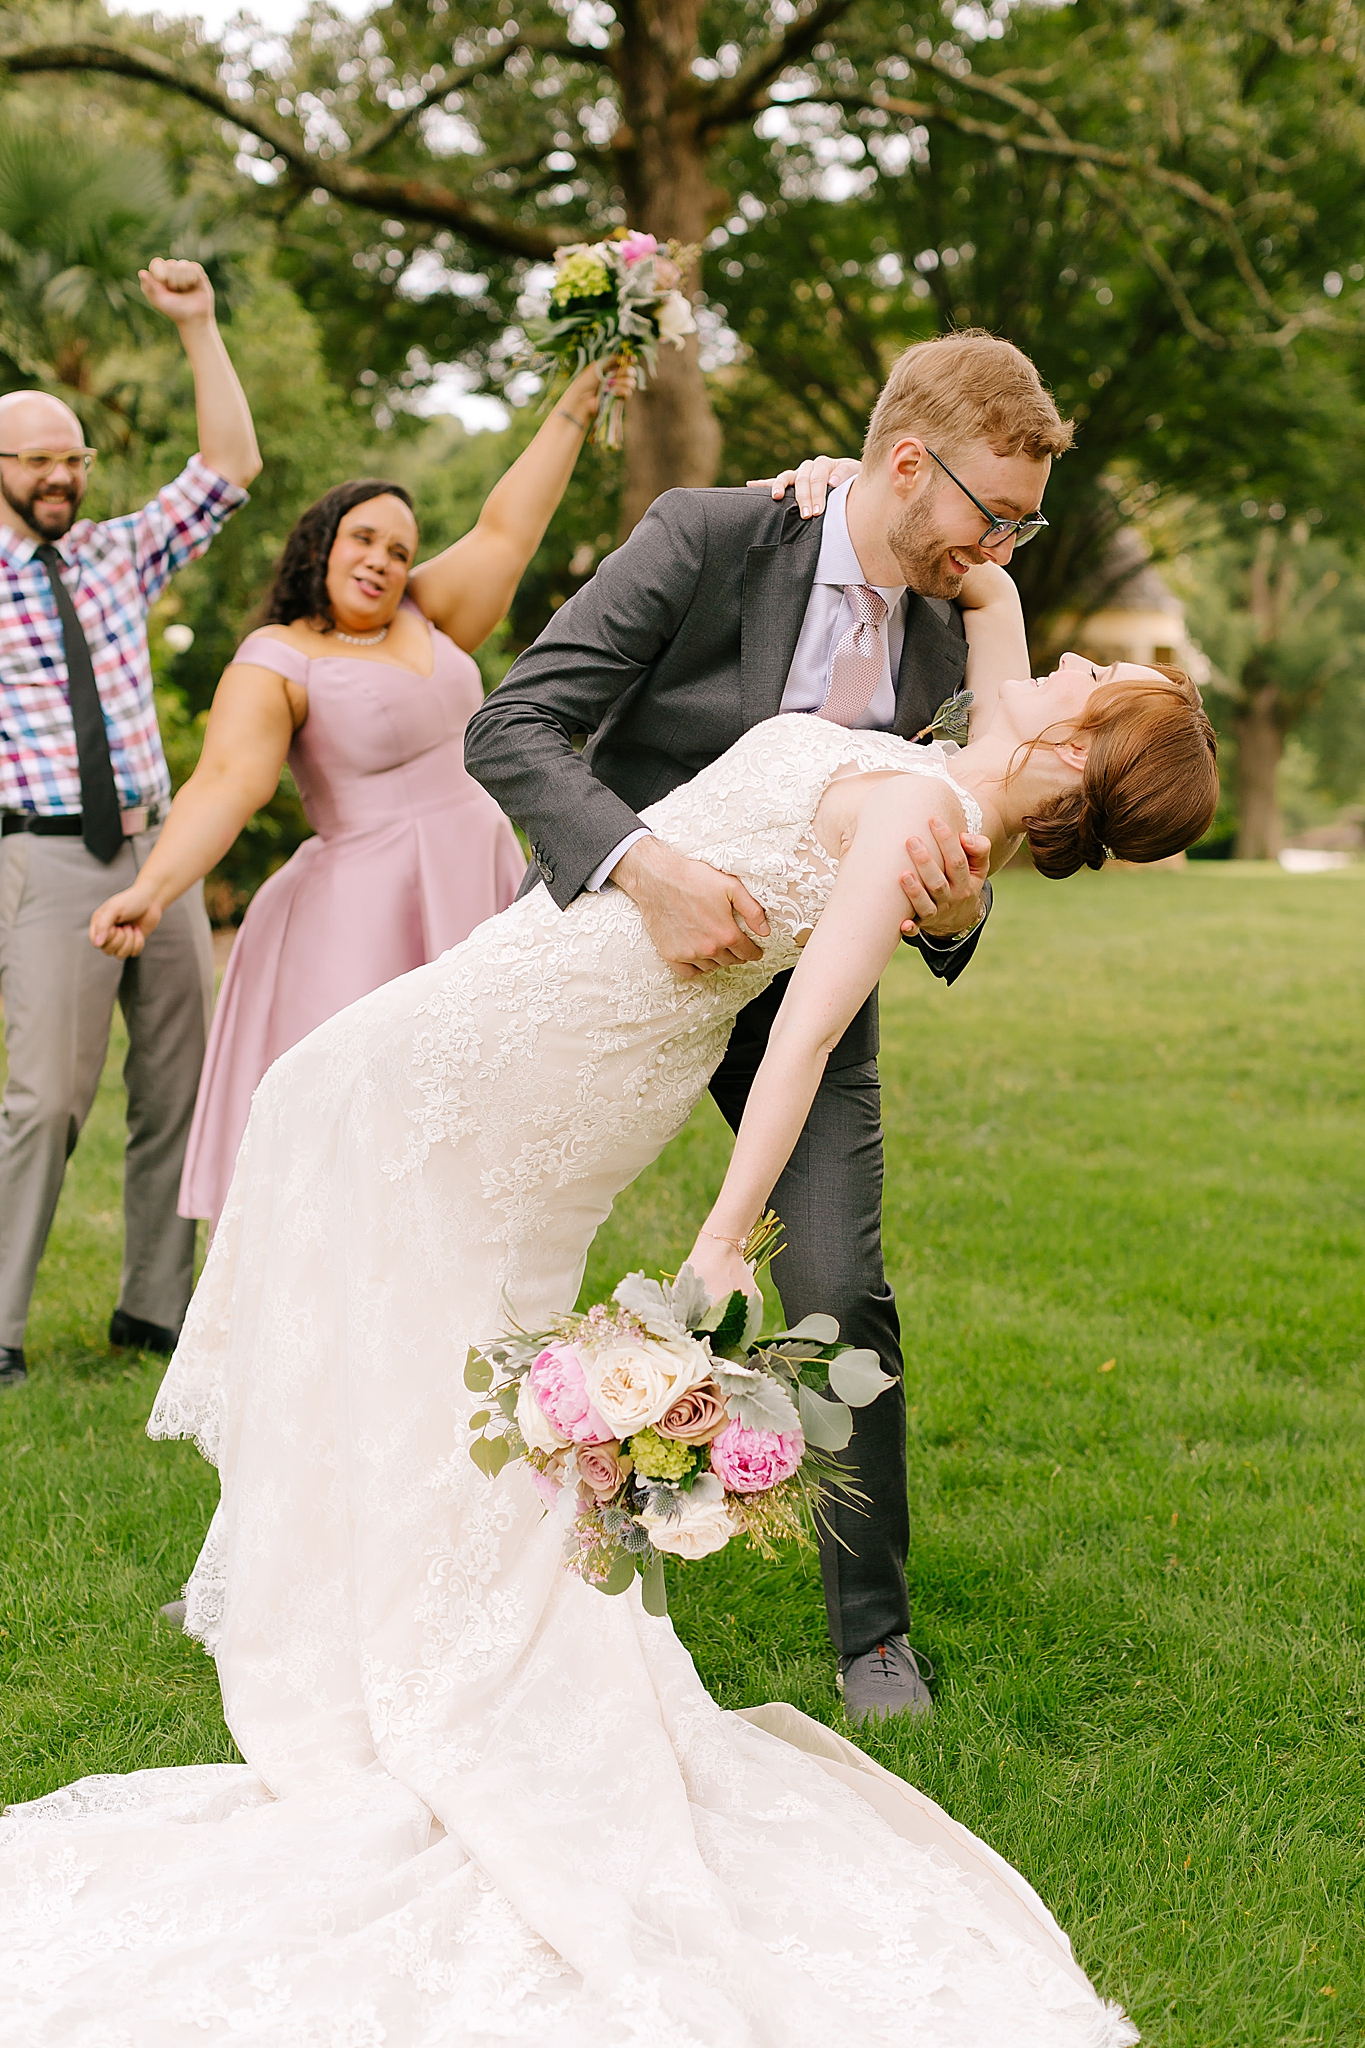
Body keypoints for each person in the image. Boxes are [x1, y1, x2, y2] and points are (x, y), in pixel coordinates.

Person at [0, 627, 1217, 2044]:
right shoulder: (951, 779)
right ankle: (374, 1611)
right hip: (528, 997)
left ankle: (448, 1659)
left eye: (1091, 685)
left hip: (550, 1058)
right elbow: (997, 597)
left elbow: (813, 1034)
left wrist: (718, 1239)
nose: (1066, 659)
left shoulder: (913, 816)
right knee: (375, 1221)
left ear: (1071, 754)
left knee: (415, 1253)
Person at [464, 328, 1071, 1721]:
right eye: (994, 515)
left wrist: (950, 912)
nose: (1005, 550)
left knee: (842, 1285)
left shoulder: (953, 613)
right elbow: (516, 730)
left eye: (1026, 522)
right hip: (618, 960)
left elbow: (965, 854)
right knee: (495, 1242)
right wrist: (651, 873)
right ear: (904, 465)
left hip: (804, 997)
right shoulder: (713, 537)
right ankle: (463, 1549)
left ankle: (872, 1638)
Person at [87, 364, 621, 1228]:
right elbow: (227, 783)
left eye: (400, 549)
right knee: (362, 1124)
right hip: (355, 912)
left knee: (466, 1113)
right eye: (363, 539)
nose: (381, 560)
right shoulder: (279, 656)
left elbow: (507, 529)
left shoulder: (427, 614)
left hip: (469, 883)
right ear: (322, 544)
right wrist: (152, 891)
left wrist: (577, 403)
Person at [0, 260, 260, 1388]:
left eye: (73, 458)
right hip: (46, 855)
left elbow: (230, 468)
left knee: (176, 1086)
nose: (61, 477)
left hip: (161, 848)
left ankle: (155, 1310)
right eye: (39, 461)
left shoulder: (114, 551)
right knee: (47, 1098)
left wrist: (197, 325)